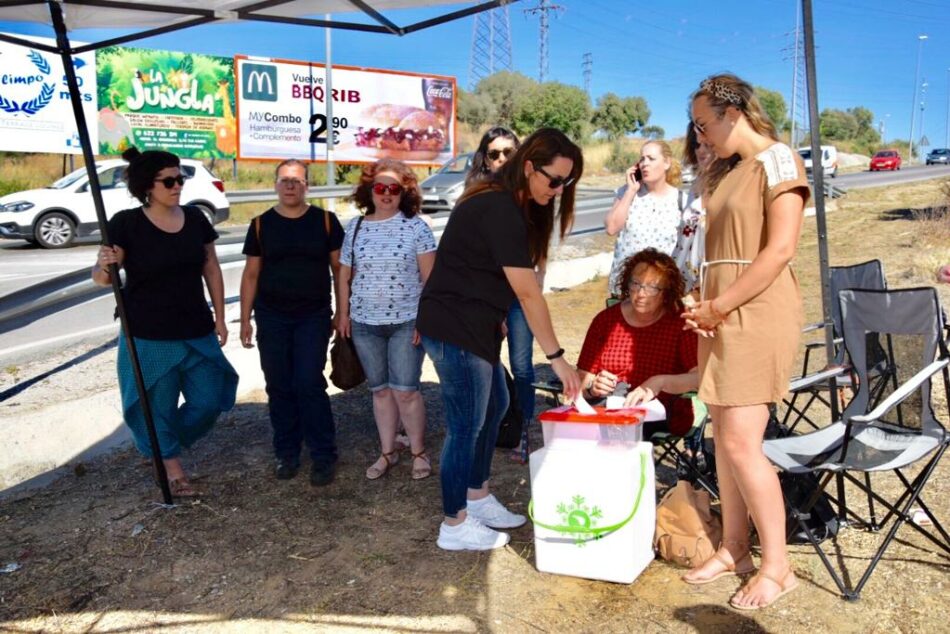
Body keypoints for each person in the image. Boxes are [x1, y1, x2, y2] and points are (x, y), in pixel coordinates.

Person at [417, 127, 583, 551]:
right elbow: (528, 292)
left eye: (566, 182)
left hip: (476, 323)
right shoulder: (497, 205)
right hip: (455, 326)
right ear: (528, 168)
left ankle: (477, 496)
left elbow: (491, 272)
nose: (559, 189)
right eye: (554, 179)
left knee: (496, 406)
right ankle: (454, 525)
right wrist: (558, 358)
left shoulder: (509, 203)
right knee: (465, 424)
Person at [681, 73, 810, 611]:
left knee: (741, 443)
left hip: (754, 311)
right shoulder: (725, 171)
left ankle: (777, 567)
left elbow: (779, 250)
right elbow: (708, 247)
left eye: (703, 123)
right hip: (719, 310)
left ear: (732, 112)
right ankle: (735, 548)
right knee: (721, 438)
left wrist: (722, 303)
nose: (700, 135)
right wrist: (698, 297)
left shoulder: (778, 161)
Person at [93, 147, 237, 498]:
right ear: (148, 186)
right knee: (158, 406)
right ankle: (170, 467)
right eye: (169, 180)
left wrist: (220, 316)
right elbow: (102, 278)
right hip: (148, 333)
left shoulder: (196, 219)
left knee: (209, 399)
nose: (178, 185)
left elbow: (211, 269)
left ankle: (159, 446)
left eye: (181, 178)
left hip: (196, 327)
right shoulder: (126, 224)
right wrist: (103, 263)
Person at [239, 159, 344, 486]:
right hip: (271, 316)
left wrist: (343, 312)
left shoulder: (326, 222)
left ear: (306, 186)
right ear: (275, 185)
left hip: (313, 315)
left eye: (296, 181)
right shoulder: (260, 225)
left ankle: (323, 454)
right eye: (284, 180)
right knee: (279, 384)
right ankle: (286, 452)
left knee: (309, 382)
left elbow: (340, 270)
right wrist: (245, 319)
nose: (290, 186)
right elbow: (251, 274)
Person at [337, 159, 437, 481]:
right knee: (380, 391)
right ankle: (388, 451)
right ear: (370, 189)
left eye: (394, 188)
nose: (386, 194)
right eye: (380, 187)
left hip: (407, 321)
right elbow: (344, 276)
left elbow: (430, 280)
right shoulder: (355, 227)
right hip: (365, 323)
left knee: (406, 390)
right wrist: (343, 314)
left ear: (404, 192)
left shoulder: (416, 227)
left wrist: (425, 320)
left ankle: (419, 452)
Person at [466, 126, 538, 462]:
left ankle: (523, 432)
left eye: (508, 152)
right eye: (494, 154)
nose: (502, 159)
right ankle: (489, 427)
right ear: (485, 158)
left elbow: (539, 254)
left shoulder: (532, 196)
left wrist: (533, 294)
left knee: (522, 366)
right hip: (488, 298)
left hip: (521, 298)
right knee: (487, 363)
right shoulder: (475, 195)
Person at [577, 249, 698, 439]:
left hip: (662, 412)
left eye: (652, 287)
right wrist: (593, 386)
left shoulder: (680, 322)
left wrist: (659, 382)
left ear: (666, 293)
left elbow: (700, 378)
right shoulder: (606, 320)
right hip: (608, 408)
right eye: (636, 284)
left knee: (616, 434)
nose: (641, 294)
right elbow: (582, 376)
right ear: (627, 284)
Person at [605, 139, 684, 298]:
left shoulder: (681, 200)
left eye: (651, 158)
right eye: (642, 158)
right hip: (626, 289)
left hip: (661, 290)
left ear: (667, 163)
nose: (644, 163)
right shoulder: (626, 192)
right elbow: (612, 227)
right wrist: (631, 190)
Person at [672, 124, 715, 298]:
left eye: (709, 145)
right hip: (685, 279)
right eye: (697, 145)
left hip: (712, 284)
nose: (701, 151)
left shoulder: (729, 184)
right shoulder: (695, 184)